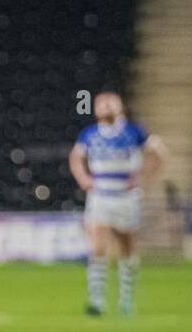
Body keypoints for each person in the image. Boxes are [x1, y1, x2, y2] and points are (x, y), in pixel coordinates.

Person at [69, 91, 165, 316]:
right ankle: (97, 301)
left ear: (120, 107)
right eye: (102, 103)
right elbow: (75, 157)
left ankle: (126, 299)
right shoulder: (89, 134)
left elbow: (160, 153)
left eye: (111, 103)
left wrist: (144, 179)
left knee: (127, 248)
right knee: (98, 248)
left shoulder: (134, 132)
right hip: (100, 196)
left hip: (126, 197)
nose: (106, 106)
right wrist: (83, 179)